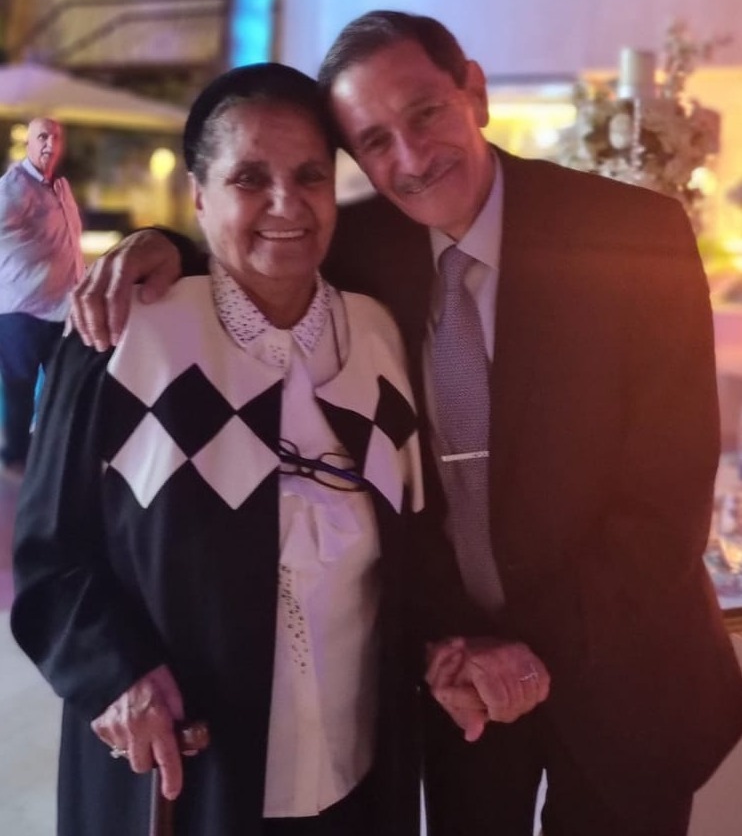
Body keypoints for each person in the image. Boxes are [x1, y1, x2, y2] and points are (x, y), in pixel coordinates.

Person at [69, 11, 742, 836]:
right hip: (462, 698)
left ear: (475, 94)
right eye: (374, 141)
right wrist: (159, 247)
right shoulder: (362, 251)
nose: (412, 158)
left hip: (622, 669)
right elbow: (255, 246)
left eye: (425, 113)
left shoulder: (632, 235)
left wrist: (515, 654)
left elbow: (668, 498)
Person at [12, 63, 546, 836]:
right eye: (249, 178)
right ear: (199, 194)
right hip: (186, 777)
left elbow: (413, 552)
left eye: (309, 177)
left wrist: (449, 652)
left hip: (354, 774)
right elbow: (51, 560)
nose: (287, 204)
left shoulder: (379, 337)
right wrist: (114, 675)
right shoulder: (123, 337)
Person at [0, 116, 83, 478]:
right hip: (22, 310)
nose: (50, 144)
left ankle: (48, 453)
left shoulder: (60, 187)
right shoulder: (13, 186)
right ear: (29, 143)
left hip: (61, 308)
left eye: (56, 138)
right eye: (43, 137)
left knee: (62, 385)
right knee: (19, 388)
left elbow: (70, 241)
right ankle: (15, 460)